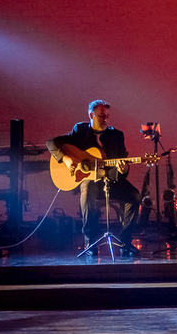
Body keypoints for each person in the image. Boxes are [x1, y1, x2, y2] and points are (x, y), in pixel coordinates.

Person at [47, 99, 141, 255]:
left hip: (111, 180)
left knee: (135, 195)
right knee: (89, 187)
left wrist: (123, 169)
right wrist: (65, 158)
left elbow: (122, 168)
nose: (105, 120)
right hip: (89, 181)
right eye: (101, 116)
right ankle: (90, 241)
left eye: (107, 117)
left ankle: (126, 241)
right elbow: (51, 142)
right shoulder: (80, 130)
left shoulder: (117, 135)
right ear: (91, 115)